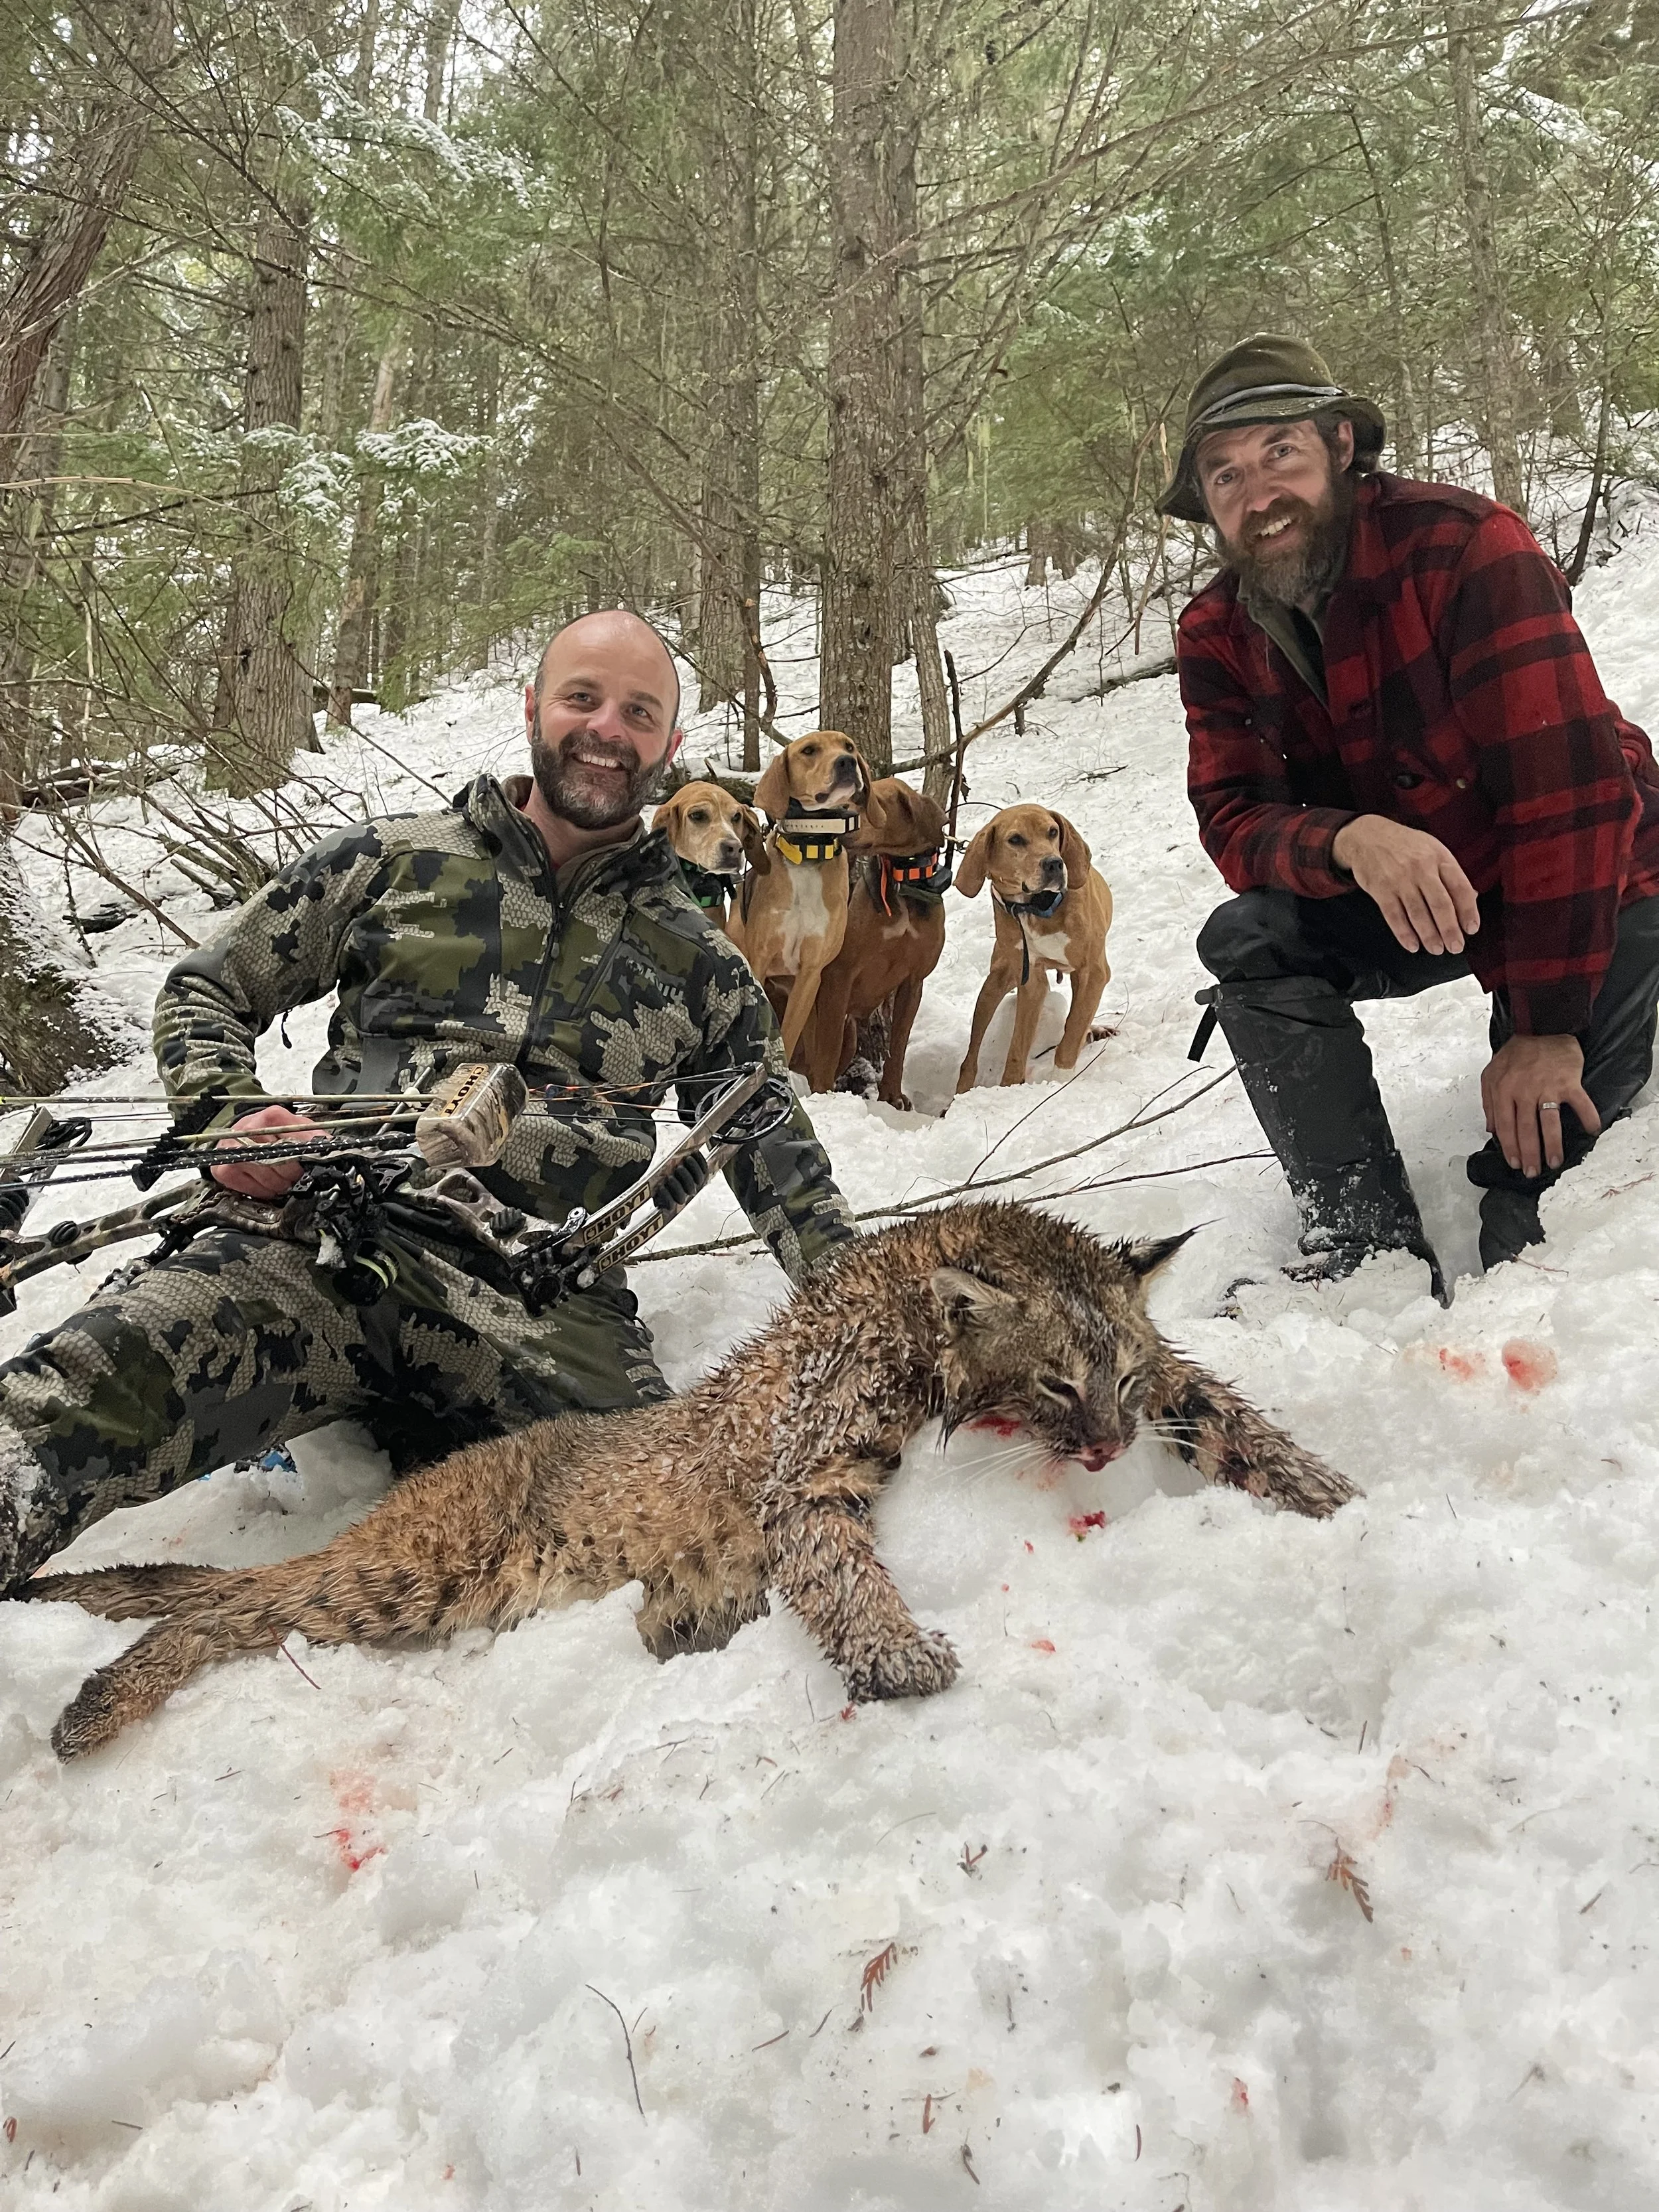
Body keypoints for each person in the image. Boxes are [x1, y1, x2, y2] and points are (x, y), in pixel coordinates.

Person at [0, 609, 856, 1594]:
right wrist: (228, 1116)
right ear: (535, 706)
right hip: (316, 1245)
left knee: (679, 1543)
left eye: (639, 711)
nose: (607, 729)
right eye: (582, 698)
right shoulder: (393, 858)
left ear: (667, 742)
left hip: (545, 1303)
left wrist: (881, 1319)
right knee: (60, 1414)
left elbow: (776, 1153)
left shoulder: (701, 959)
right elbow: (206, 987)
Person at [1161, 333, 1659, 1292]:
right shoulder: (1216, 630)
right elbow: (1232, 817)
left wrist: (1543, 1026)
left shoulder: (1465, 548)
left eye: (1280, 455)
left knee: (1531, 1214)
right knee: (1250, 940)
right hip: (1429, 893)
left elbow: (1572, 798)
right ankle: (1365, 1247)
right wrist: (1347, 836)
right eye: (1225, 476)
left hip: (1595, 878)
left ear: (1342, 447)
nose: (1257, 494)